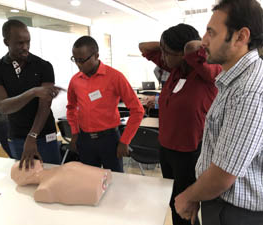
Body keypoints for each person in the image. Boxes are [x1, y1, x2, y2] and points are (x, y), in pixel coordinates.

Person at [175, 1, 263, 225]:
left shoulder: (249, 90)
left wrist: (188, 196)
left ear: (241, 37)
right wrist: (200, 193)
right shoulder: (234, 82)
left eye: (211, 32)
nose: (203, 40)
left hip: (236, 213)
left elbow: (224, 173)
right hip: (219, 201)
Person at [145, 24, 222, 225]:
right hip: (166, 148)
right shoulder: (175, 70)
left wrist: (189, 48)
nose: (162, 56)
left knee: (187, 207)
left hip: (189, 152)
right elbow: (143, 47)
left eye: (166, 52)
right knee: (173, 202)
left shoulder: (208, 73)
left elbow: (193, 49)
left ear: (183, 54)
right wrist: (167, 47)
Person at [0, 20, 64, 168]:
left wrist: (32, 136)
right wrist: (33, 92)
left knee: (51, 177)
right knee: (26, 180)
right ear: (6, 42)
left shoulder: (43, 66)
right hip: (17, 137)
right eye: (19, 43)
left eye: (28, 42)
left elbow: (44, 106)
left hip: (44, 134)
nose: (25, 47)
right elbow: (3, 107)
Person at [66, 36, 144, 172]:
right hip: (85, 140)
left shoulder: (115, 77)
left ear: (96, 55)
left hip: (109, 140)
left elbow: (138, 111)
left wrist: (125, 140)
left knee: (115, 181)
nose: (78, 65)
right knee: (89, 181)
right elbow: (71, 108)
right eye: (75, 60)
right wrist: (74, 133)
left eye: (82, 60)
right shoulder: (75, 81)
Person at [11, 160, 112, 206]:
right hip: (96, 191)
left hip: (102, 177)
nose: (28, 160)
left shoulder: (59, 168)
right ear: (24, 178)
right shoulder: (44, 190)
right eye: (23, 165)